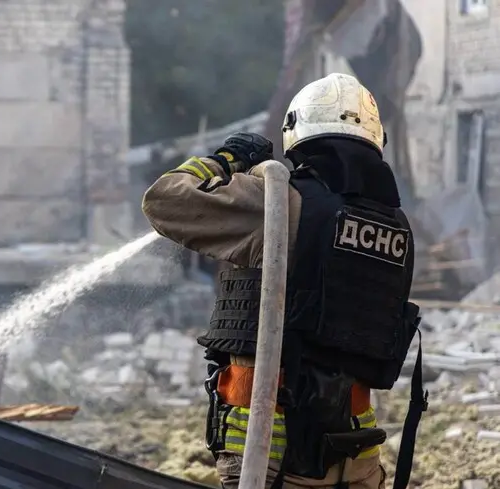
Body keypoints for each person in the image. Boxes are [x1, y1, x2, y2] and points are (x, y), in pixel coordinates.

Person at [141, 73, 427, 489]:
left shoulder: (276, 200)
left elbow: (164, 199)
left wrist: (225, 159)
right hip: (357, 453)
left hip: (272, 451)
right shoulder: (395, 227)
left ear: (299, 133)